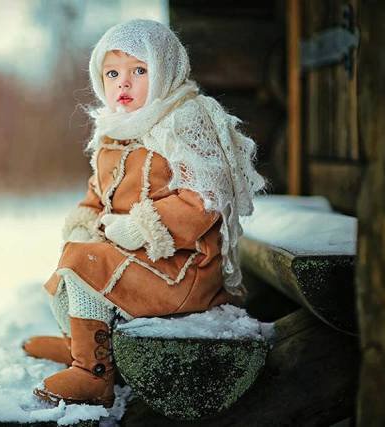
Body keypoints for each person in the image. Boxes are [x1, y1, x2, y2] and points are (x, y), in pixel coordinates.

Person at [22, 18, 266, 408]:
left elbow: (204, 197)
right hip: (139, 257)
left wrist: (141, 226)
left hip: (182, 266)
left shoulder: (185, 121)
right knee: (77, 254)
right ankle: (83, 345)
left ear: (166, 70)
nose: (124, 83)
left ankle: (92, 375)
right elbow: (97, 193)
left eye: (139, 70)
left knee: (86, 262)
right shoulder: (114, 130)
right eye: (113, 72)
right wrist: (86, 223)